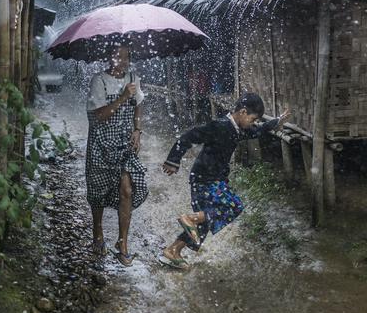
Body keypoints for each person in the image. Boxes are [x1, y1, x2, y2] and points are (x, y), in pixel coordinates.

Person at [159, 93, 290, 269]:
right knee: (234, 206)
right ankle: (189, 219)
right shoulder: (219, 126)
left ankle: (173, 251)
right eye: (252, 119)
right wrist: (173, 161)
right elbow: (188, 137)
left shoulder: (237, 128)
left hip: (214, 179)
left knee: (204, 224)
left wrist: (276, 122)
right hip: (204, 179)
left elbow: (256, 131)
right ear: (243, 112)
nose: (252, 123)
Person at [86, 45, 147, 266]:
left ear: (129, 59)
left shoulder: (133, 78)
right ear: (107, 57)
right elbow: (97, 117)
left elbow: (139, 104)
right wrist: (122, 97)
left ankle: (122, 243)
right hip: (101, 144)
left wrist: (137, 130)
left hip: (124, 144)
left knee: (127, 189)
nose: (119, 61)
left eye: (124, 57)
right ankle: (98, 232)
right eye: (115, 56)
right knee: (98, 191)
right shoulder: (98, 81)